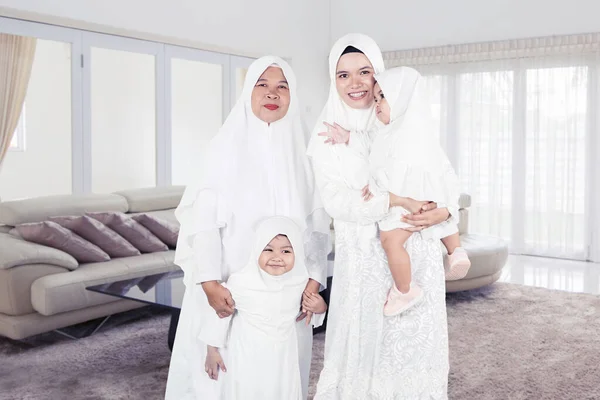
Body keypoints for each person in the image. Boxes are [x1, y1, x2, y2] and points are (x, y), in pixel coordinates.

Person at [164, 56, 330, 400]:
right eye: (262, 85)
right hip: (229, 288)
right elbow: (205, 225)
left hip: (286, 291)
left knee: (277, 375)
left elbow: (317, 227)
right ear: (248, 92)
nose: (273, 93)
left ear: (292, 95)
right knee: (224, 374)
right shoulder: (222, 150)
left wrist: (313, 277)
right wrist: (209, 282)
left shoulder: (305, 156)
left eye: (282, 86)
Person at [308, 33, 453, 399]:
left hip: (414, 252)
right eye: (343, 75)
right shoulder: (327, 134)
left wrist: (444, 212)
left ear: (380, 76)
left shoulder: (398, 119)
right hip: (363, 260)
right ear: (333, 79)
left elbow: (442, 173)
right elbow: (337, 203)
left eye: (364, 72)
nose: (355, 83)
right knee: (365, 351)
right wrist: (395, 200)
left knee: (411, 348)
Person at [320, 66, 471, 317]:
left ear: (402, 101)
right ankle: (456, 251)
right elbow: (444, 175)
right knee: (440, 218)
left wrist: (375, 186)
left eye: (383, 98)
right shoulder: (412, 132)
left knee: (390, 240)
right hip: (429, 200)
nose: (377, 104)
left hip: (405, 205)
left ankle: (405, 289)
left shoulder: (398, 136)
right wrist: (347, 136)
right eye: (376, 97)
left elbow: (388, 170)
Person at [197, 216, 327, 399]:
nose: (277, 257)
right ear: (257, 249)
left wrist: (320, 306)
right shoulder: (242, 282)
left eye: (286, 251)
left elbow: (312, 312)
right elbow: (221, 314)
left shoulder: (299, 282)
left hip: (283, 357)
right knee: (250, 390)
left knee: (282, 390)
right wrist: (212, 350)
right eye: (268, 249)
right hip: (248, 355)